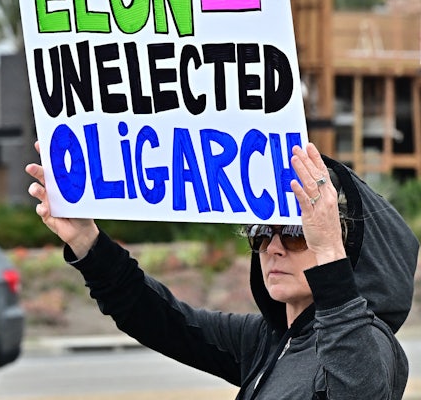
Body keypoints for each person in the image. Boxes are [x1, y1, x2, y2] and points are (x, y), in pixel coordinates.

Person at [25, 141, 419, 399]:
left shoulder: (373, 345)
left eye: (297, 233)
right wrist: (86, 242)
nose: (273, 247)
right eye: (261, 231)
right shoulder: (269, 340)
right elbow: (163, 321)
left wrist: (328, 250)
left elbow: (360, 388)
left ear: (342, 247)